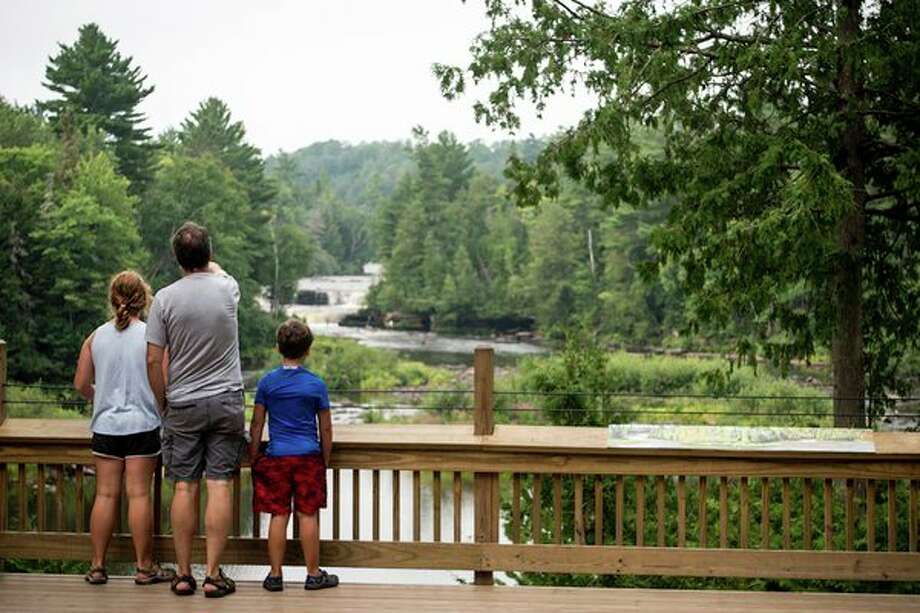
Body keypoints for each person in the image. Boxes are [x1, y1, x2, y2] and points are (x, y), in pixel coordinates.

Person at [146, 221, 245, 598]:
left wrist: (163, 401)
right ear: (208, 254)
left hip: (182, 402)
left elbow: (154, 360)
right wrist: (210, 264)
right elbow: (219, 272)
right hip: (225, 400)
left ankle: (184, 573)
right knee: (219, 484)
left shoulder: (165, 299)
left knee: (184, 486)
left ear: (177, 259)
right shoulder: (227, 289)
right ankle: (214, 574)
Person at [74, 270, 176, 587]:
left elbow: (80, 384)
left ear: (113, 298)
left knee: (105, 494)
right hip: (143, 425)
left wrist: (99, 396)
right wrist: (161, 406)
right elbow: (165, 382)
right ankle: (144, 567)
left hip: (106, 425)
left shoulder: (95, 337)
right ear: (143, 300)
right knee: (139, 495)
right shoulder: (152, 338)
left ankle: (97, 566)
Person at [249, 319, 338, 592]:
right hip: (308, 456)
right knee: (307, 515)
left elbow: (256, 423)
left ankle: (275, 575)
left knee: (278, 515)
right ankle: (313, 574)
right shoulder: (316, 385)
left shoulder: (267, 383)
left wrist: (254, 455)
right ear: (307, 350)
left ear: (278, 348)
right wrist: (325, 458)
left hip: (276, 457)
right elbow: (325, 426)